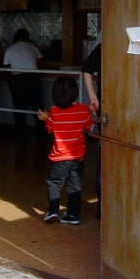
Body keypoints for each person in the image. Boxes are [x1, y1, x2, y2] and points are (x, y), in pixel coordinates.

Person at [38, 76, 94, 224]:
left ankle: (53, 211)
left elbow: (50, 130)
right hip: (77, 158)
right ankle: (73, 216)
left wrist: (46, 118)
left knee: (54, 183)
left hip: (59, 158)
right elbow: (89, 127)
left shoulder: (54, 111)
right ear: (75, 92)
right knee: (74, 186)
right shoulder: (83, 109)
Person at [2, 28, 43, 131]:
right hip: (33, 78)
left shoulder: (10, 49)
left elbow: (7, 68)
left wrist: (10, 82)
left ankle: (20, 131)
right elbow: (41, 62)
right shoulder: (33, 47)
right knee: (37, 107)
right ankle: (41, 131)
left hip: (17, 80)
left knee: (19, 107)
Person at [81, 41, 102, 218]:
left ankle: (102, 207)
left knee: (105, 157)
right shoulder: (139, 40)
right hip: (110, 110)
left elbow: (86, 68)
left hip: (106, 107)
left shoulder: (106, 45)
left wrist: (93, 95)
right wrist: (94, 96)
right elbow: (87, 68)